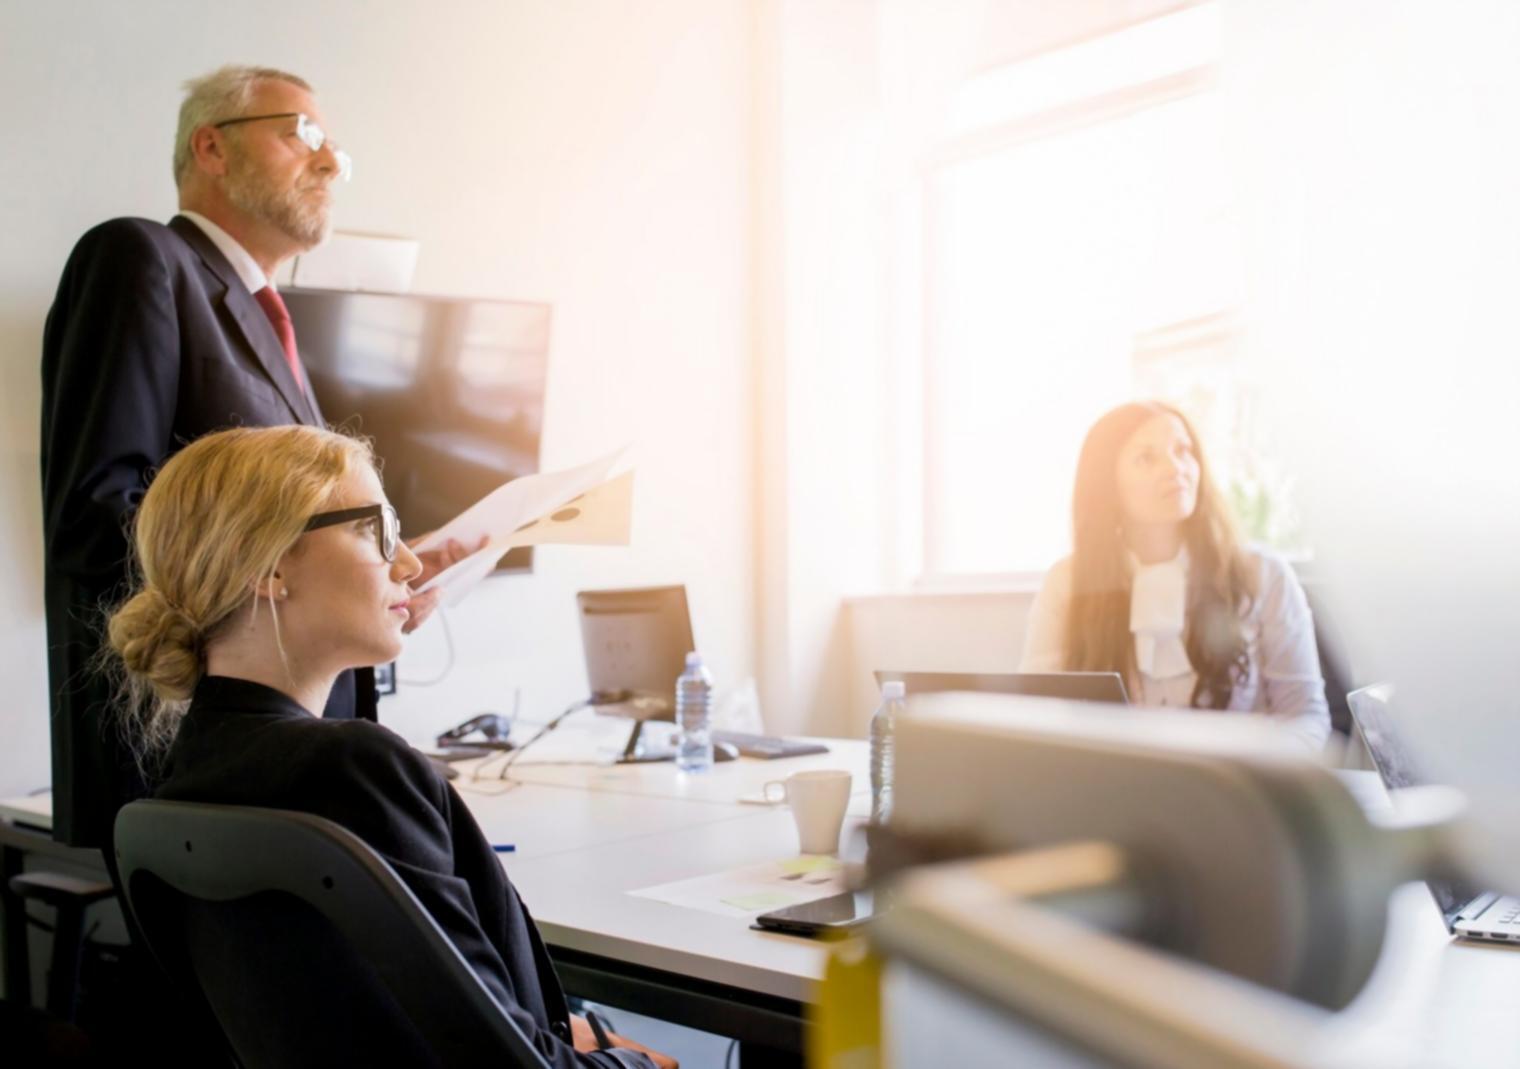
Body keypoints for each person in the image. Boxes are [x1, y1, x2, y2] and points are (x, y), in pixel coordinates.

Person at [105, 425, 677, 1069]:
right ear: (266, 565)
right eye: (374, 530)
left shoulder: (190, 771)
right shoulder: (356, 769)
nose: (408, 564)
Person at [40, 64, 461, 849]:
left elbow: (282, 532)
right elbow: (96, 515)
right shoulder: (139, 257)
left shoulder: (273, 327)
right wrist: (285, 564)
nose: (329, 162)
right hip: (189, 758)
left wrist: (378, 565)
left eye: (336, 150)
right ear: (212, 147)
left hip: (298, 754)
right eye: (302, 135)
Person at [1021, 401, 1331, 750]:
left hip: (1238, 781)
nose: (1175, 468)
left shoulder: (1263, 574)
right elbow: (1037, 716)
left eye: (1183, 451)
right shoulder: (1066, 583)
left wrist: (1256, 773)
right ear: (1106, 483)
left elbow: (1305, 717)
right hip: (1116, 782)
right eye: (1146, 458)